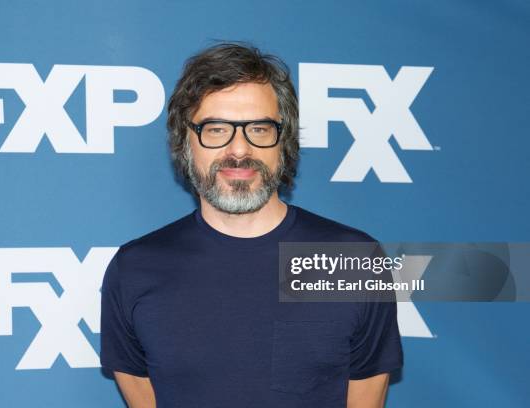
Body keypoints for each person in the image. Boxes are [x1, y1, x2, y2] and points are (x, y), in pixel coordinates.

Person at [100, 43, 403, 408]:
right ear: (185, 142)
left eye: (259, 129)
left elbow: (367, 394)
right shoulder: (134, 269)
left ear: (284, 141)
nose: (239, 149)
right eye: (216, 130)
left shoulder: (353, 260)